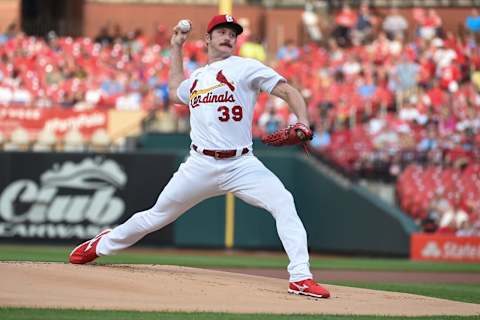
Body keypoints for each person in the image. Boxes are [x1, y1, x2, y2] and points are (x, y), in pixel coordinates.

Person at [69, 14, 330, 299]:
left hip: (241, 163)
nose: (228, 36)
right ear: (207, 39)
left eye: (233, 33)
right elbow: (173, 91)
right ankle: (101, 245)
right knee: (155, 217)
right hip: (200, 165)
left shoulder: (245, 68)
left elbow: (286, 90)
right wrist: (177, 47)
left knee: (283, 202)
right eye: (221, 31)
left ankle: (300, 277)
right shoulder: (197, 78)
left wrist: (303, 121)